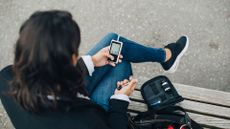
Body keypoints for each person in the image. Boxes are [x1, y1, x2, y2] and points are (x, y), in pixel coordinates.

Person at [0, 10, 189, 129]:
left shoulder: (6, 77)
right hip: (91, 114)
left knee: (115, 45)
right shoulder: (85, 122)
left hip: (64, 99)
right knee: (120, 60)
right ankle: (167, 56)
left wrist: (88, 62)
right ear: (70, 59)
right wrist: (120, 100)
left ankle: (166, 56)